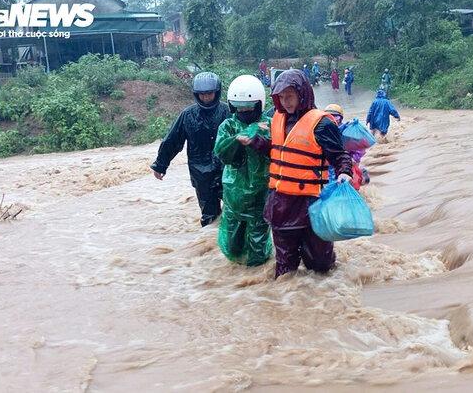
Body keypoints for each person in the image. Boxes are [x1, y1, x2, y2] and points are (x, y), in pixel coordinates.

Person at [237, 69, 354, 278]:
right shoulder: (277, 119)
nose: (286, 102)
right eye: (281, 97)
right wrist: (256, 143)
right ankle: (284, 302)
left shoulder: (322, 124)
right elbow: (279, 151)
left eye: (289, 96)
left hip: (311, 205)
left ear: (302, 93)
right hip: (281, 205)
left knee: (320, 265)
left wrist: (345, 172)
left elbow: (340, 155)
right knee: (285, 269)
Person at [151, 72, 230, 227]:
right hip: (201, 173)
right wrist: (160, 165)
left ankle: (229, 247)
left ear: (217, 92)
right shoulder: (188, 115)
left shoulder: (228, 112)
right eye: (202, 94)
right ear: (196, 94)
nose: (206, 97)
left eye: (209, 93)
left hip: (226, 170)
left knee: (234, 211)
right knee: (210, 217)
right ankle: (208, 246)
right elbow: (172, 141)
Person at [213, 75, 272, 266]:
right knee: (233, 245)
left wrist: (258, 139)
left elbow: (278, 152)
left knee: (258, 247)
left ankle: (257, 280)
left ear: (259, 104)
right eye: (239, 107)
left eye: (248, 107)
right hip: (234, 195)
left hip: (261, 194)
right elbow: (221, 153)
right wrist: (237, 139)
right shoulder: (228, 125)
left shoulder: (269, 125)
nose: (244, 111)